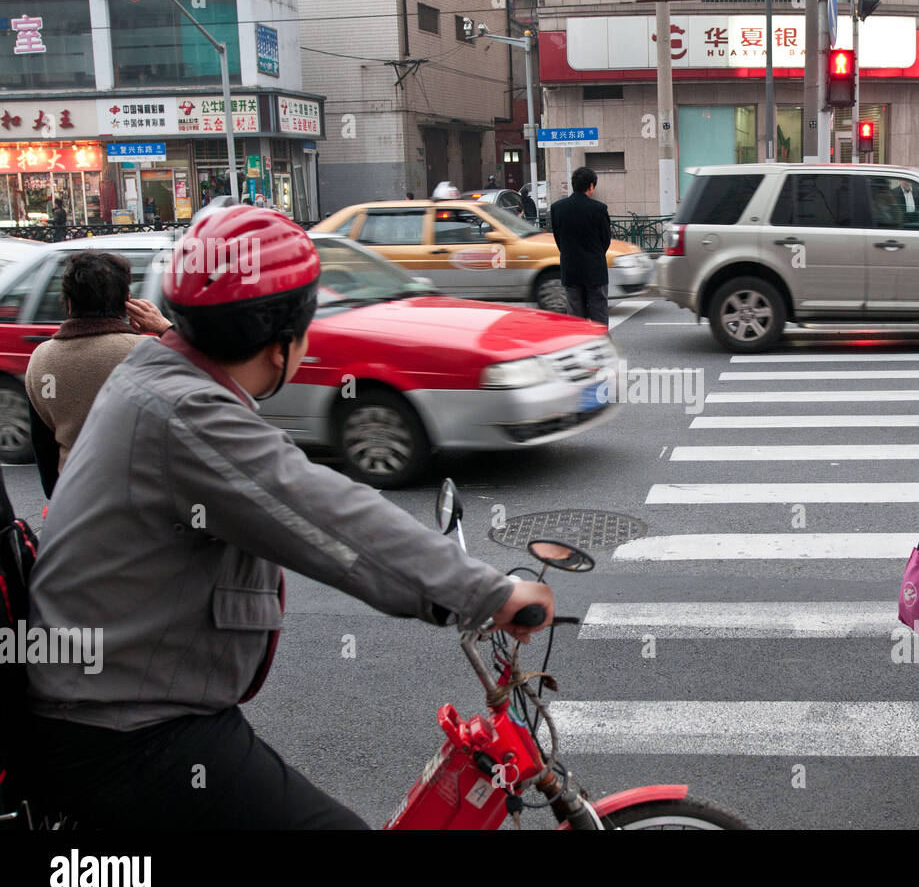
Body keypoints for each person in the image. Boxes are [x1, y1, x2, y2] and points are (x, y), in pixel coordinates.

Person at [24, 204, 555, 829]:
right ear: (282, 339)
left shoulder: (159, 375)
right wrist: (488, 592)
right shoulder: (187, 414)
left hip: (119, 704)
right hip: (129, 733)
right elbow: (324, 512)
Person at [24, 252, 171, 498]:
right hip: (143, 500)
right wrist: (165, 329)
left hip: (74, 501)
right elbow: (209, 379)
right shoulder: (150, 354)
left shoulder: (41, 359)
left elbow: (45, 450)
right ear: (127, 301)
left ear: (69, 303)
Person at [548, 166, 611, 325]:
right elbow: (606, 240)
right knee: (599, 318)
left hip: (571, 269)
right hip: (595, 270)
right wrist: (595, 254)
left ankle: (579, 347)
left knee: (575, 318)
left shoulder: (557, 208)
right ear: (591, 186)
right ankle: (598, 347)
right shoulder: (599, 209)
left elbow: (558, 239)